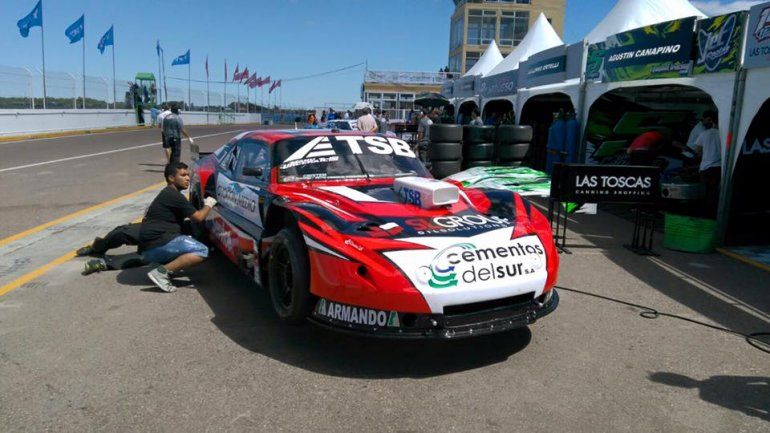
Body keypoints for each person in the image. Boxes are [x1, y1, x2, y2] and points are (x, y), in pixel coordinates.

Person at [141, 162, 216, 293]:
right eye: (183, 175)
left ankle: (161, 264)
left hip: (149, 246)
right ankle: (161, 272)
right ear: (171, 178)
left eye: (188, 175)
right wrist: (209, 204)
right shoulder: (174, 196)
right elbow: (198, 217)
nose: (187, 178)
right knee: (201, 250)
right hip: (154, 247)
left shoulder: (168, 193)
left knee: (192, 232)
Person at [693, 112, 722, 218]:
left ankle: (705, 216)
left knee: (705, 194)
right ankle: (715, 214)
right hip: (719, 167)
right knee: (715, 193)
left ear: (711, 121)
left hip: (706, 168)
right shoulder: (723, 134)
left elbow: (697, 151)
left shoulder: (704, 134)